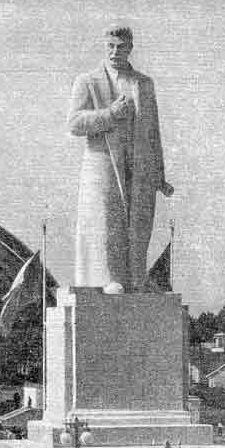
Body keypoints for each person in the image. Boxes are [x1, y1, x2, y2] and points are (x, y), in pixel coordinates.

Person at [67, 25, 174, 293]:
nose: (116, 52)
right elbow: (75, 123)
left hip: (138, 165)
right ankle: (108, 277)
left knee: (138, 223)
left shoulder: (144, 83)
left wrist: (159, 175)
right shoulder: (87, 81)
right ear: (105, 46)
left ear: (130, 48)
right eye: (111, 46)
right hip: (102, 162)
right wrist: (110, 114)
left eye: (121, 47)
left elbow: (153, 131)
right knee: (107, 221)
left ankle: (136, 277)